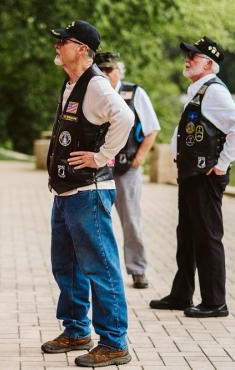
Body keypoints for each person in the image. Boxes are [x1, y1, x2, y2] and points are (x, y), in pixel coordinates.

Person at [40, 20, 134, 367]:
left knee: (101, 267)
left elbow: (124, 117)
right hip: (67, 192)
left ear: (81, 49)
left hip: (89, 193)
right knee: (67, 265)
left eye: (63, 41)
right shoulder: (71, 82)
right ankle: (77, 329)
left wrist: (99, 156)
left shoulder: (95, 85)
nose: (57, 46)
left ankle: (114, 342)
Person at [149, 36, 235, 318]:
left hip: (205, 177)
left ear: (208, 63)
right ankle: (182, 295)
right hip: (191, 174)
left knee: (207, 238)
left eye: (193, 56)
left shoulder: (214, 92)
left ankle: (215, 302)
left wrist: (222, 163)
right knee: (187, 236)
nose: (188, 59)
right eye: (188, 54)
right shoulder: (200, 90)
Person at [95, 52, 161, 289]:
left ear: (118, 71)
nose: (105, 74)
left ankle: (138, 270)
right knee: (96, 222)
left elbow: (152, 128)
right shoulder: (95, 93)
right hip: (99, 168)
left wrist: (140, 157)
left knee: (131, 220)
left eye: (109, 70)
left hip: (127, 168)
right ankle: (101, 272)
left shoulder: (134, 93)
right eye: (100, 69)